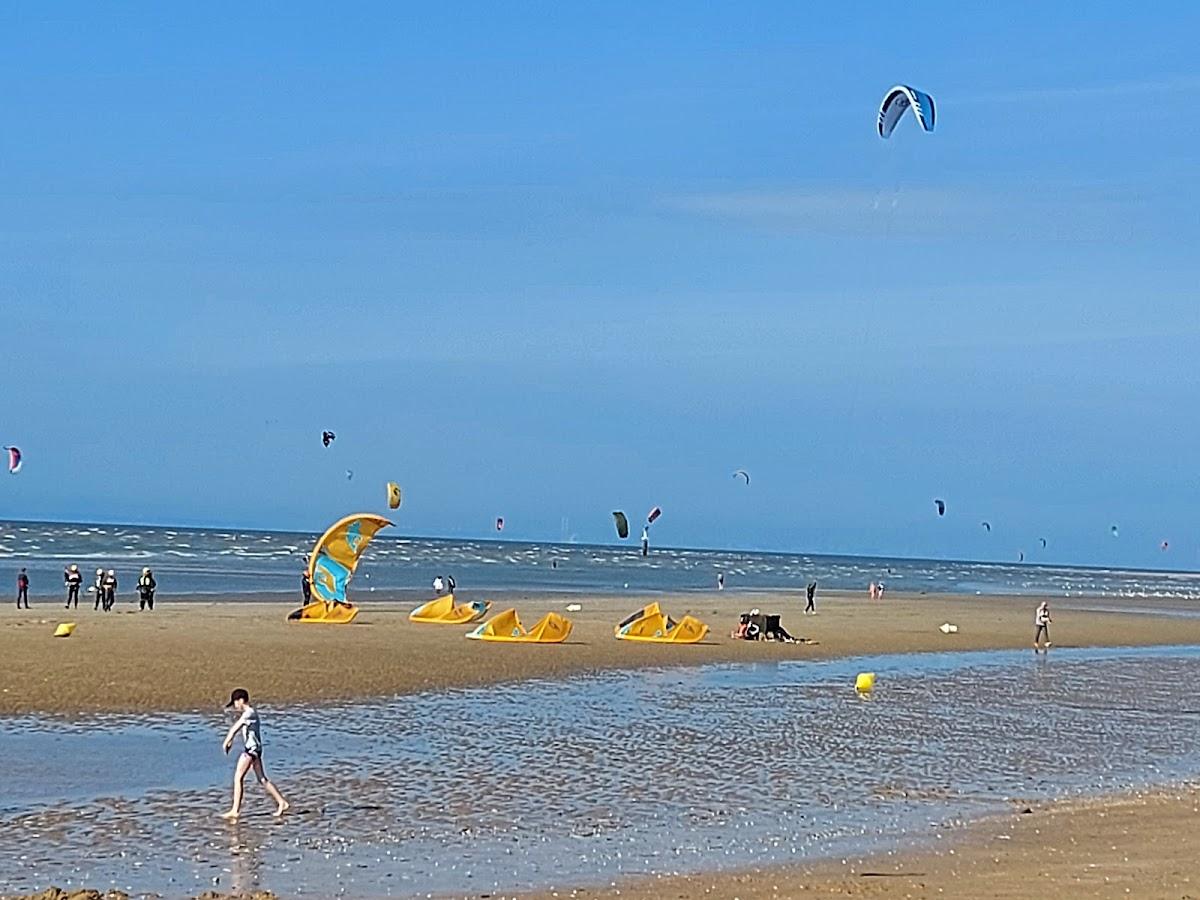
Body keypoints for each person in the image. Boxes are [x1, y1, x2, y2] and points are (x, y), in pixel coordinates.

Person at [220, 688, 289, 821]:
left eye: (235, 702)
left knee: (238, 778)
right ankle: (282, 802)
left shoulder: (249, 713)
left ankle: (235, 810)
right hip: (255, 750)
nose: (235, 706)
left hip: (251, 751)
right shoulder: (249, 713)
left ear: (241, 700)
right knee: (262, 779)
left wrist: (227, 741)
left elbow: (236, 727)